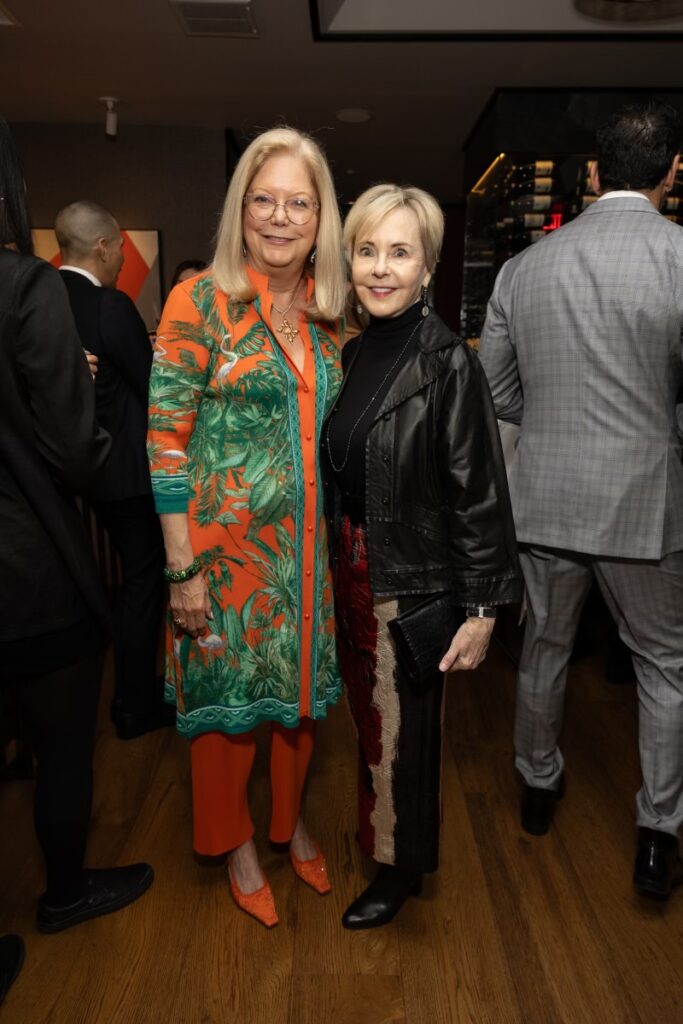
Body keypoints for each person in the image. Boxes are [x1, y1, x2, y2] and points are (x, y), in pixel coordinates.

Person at [478, 102, 683, 901]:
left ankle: (536, 787)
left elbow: (496, 393)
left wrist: (560, 432)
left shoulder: (525, 268)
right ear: (671, 172)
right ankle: (657, 836)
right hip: (645, 501)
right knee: (666, 664)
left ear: (593, 175)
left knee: (545, 649)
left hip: (546, 497)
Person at [148, 126, 346, 928]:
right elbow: (163, 438)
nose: (278, 216)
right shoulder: (198, 300)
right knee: (225, 713)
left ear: (320, 217)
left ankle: (287, 821)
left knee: (296, 707)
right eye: (263, 199)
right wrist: (180, 569)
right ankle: (234, 844)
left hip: (305, 557)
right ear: (240, 209)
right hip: (219, 558)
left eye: (298, 202)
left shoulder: (333, 313)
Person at [322, 184, 521, 929]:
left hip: (407, 581)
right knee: (370, 721)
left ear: (427, 265)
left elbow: (478, 496)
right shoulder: (350, 349)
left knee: (402, 734)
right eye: (367, 250)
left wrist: (480, 610)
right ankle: (382, 835)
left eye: (398, 252)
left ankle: (398, 869)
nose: (380, 268)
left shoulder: (446, 365)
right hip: (349, 567)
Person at [0, 118, 153, 936]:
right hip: (33, 553)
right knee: (65, 737)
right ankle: (64, 893)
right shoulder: (33, 291)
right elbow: (82, 441)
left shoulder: (41, 290)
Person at [55, 201, 170, 740]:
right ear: (102, 246)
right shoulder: (110, 305)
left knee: (130, 579)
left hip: (79, 473)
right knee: (145, 582)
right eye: (121, 245)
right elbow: (156, 391)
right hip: (128, 474)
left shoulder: (43, 301)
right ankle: (134, 704)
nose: (125, 255)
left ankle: (131, 697)